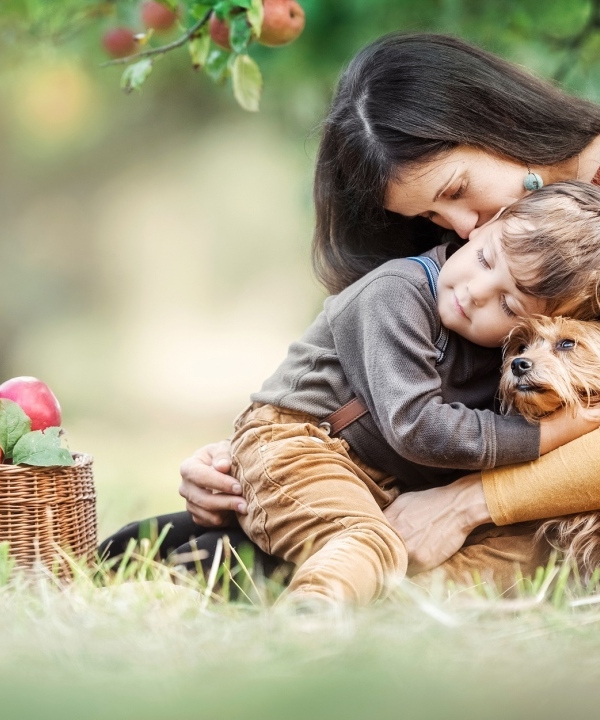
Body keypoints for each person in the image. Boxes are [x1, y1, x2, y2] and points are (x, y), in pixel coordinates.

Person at [100, 33, 600, 588]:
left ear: (497, 120)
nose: (462, 227)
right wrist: (252, 459)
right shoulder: (461, 265)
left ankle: (282, 571)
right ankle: (276, 551)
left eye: (457, 188)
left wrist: (469, 503)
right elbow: (397, 392)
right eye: (434, 217)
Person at [228, 183, 600, 604]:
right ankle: (315, 607)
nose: (476, 292)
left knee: (526, 547)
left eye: (510, 307)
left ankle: (409, 608)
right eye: (484, 260)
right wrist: (547, 435)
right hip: (305, 444)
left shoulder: (494, 341)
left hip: (392, 478)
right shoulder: (394, 293)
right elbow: (418, 428)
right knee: (365, 538)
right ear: (485, 227)